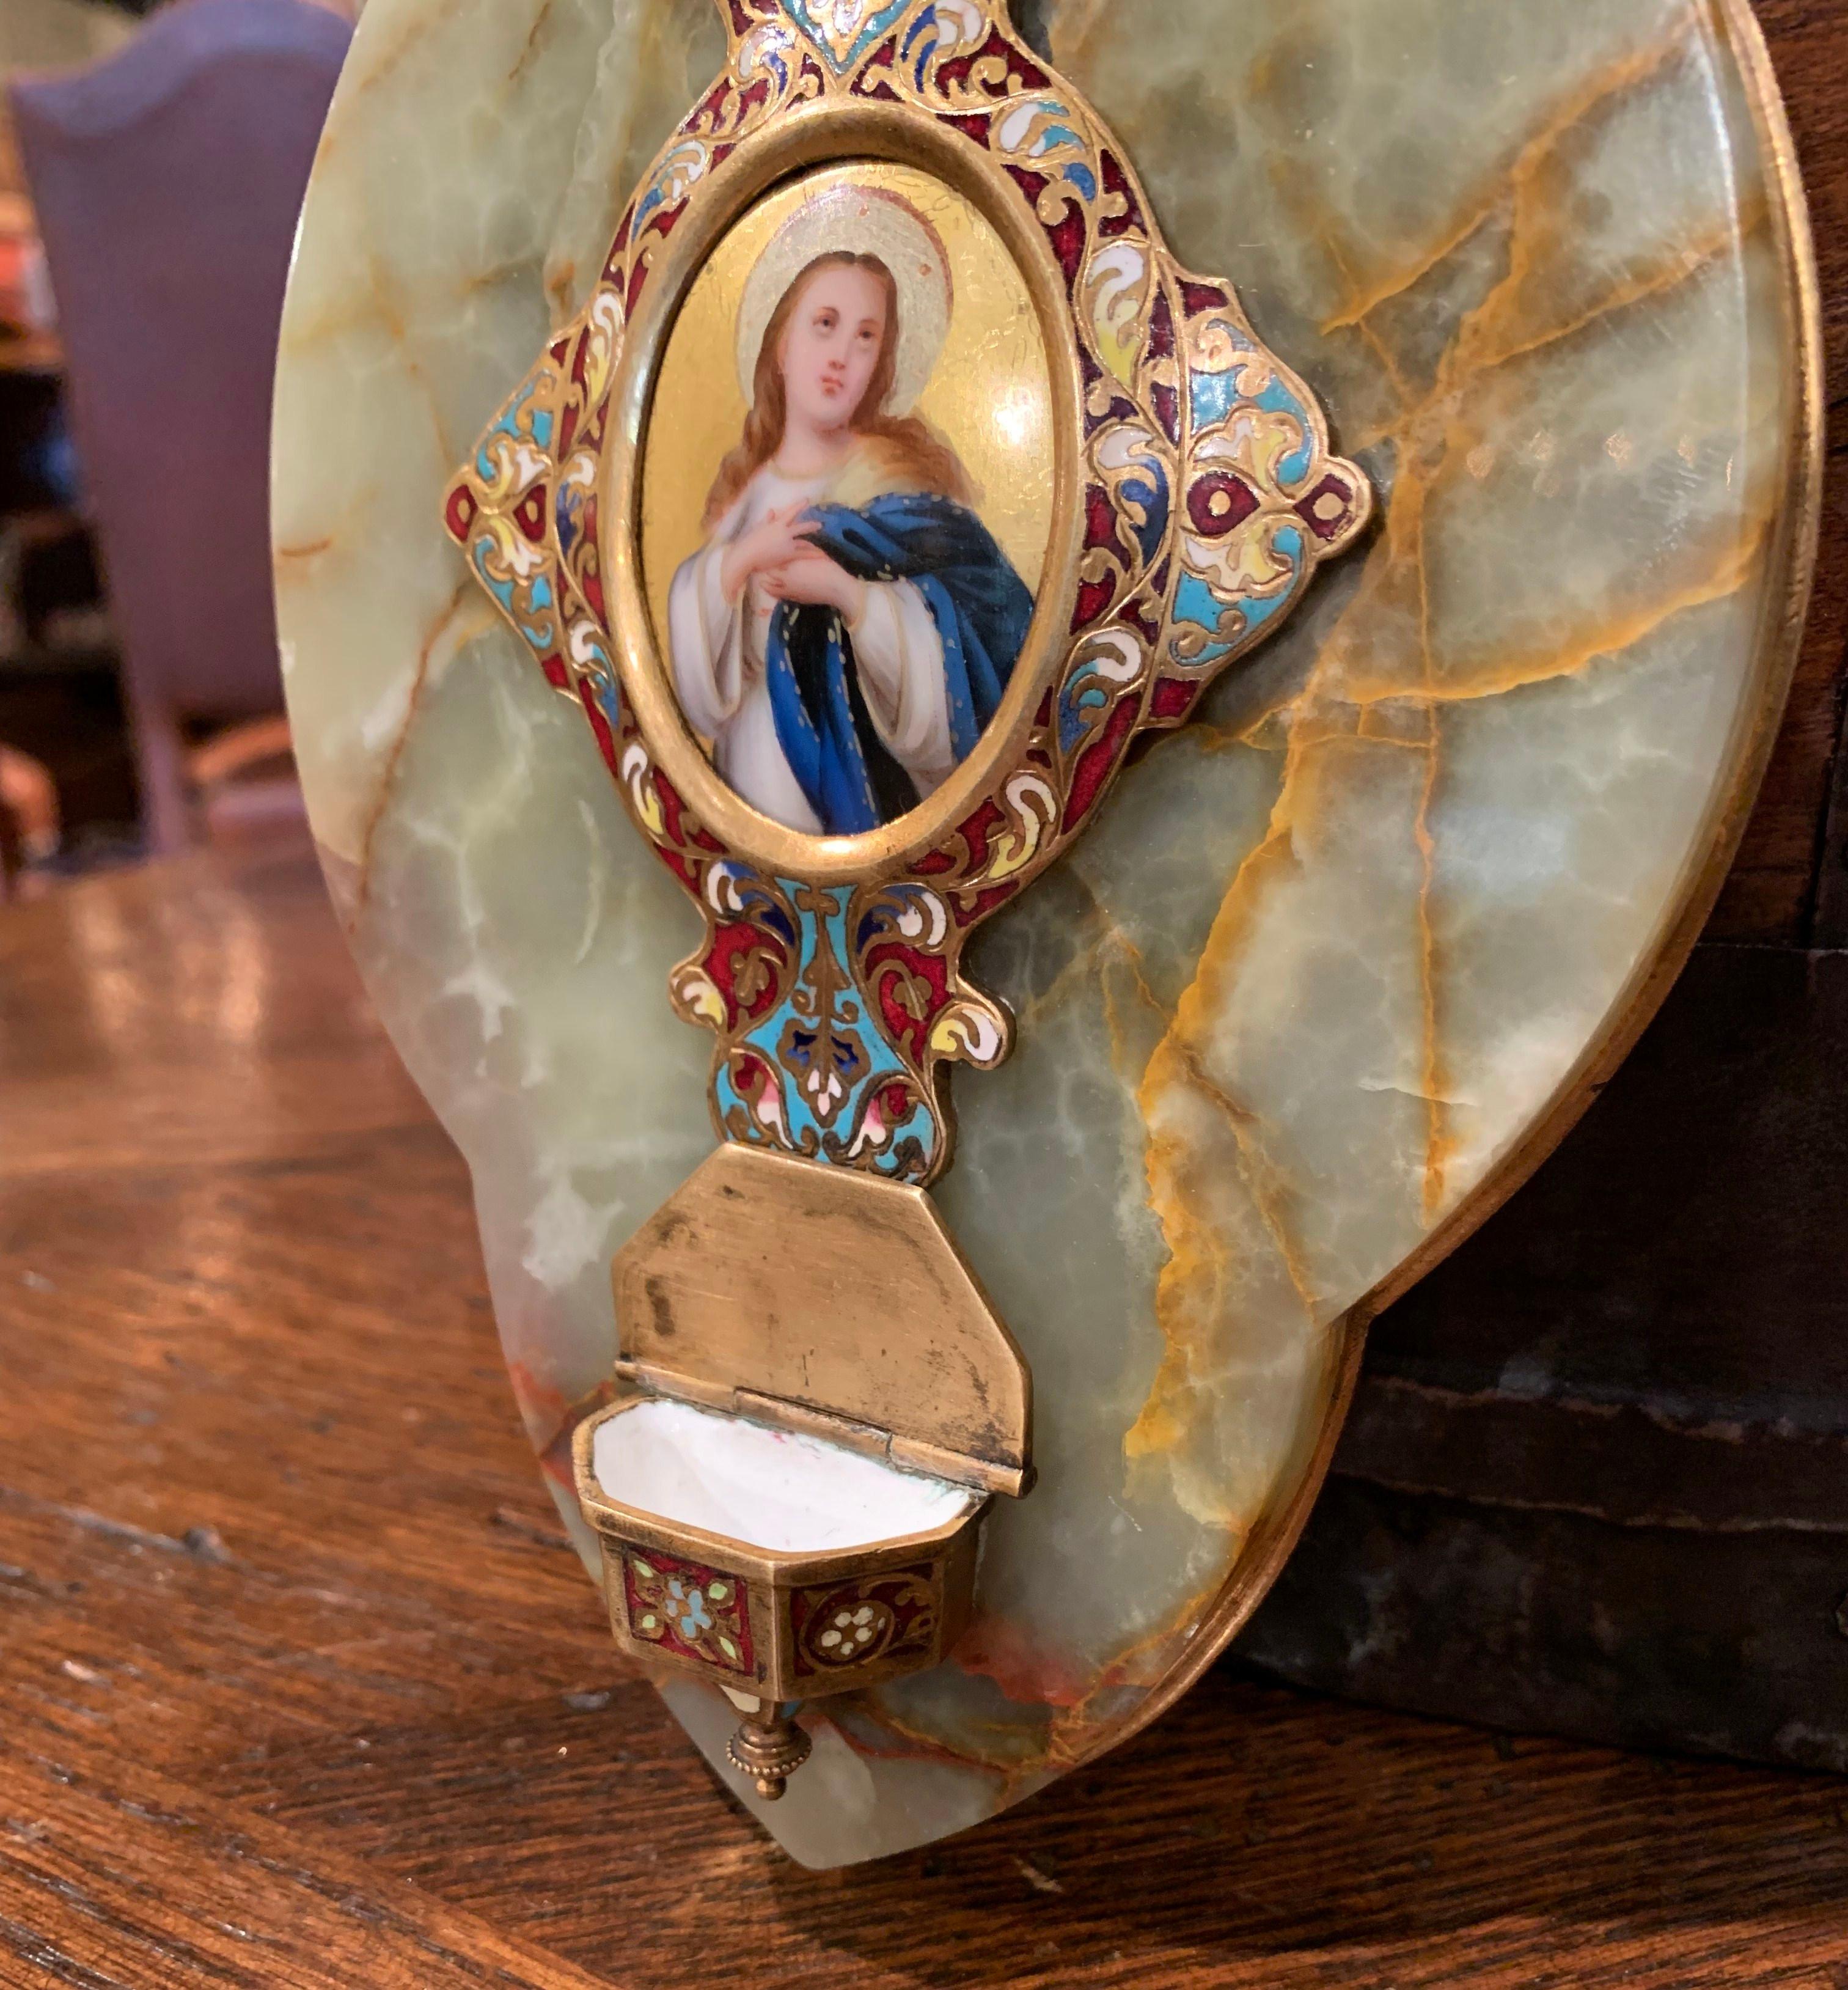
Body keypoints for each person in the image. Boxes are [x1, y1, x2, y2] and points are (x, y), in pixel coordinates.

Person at [667, 192, 1032, 836]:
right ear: (781, 342)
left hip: (861, 805)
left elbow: (973, 645)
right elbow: (699, 693)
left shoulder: (901, 484)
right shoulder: (747, 495)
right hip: (748, 801)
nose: (841, 355)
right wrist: (745, 559)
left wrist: (847, 596)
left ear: (883, 363)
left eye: (866, 337)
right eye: (825, 324)